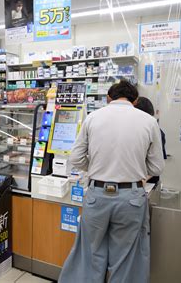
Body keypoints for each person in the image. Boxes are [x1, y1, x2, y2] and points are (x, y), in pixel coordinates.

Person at [59, 80, 165, 283]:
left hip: (97, 195)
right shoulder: (148, 121)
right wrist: (136, 171)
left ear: (109, 98)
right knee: (126, 258)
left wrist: (96, 169)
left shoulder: (93, 117)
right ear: (135, 100)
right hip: (131, 197)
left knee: (90, 254)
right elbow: (157, 167)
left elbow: (76, 158)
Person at [135, 96, 167, 185]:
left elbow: (156, 164)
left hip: (148, 181)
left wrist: (144, 179)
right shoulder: (131, 131)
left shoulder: (158, 133)